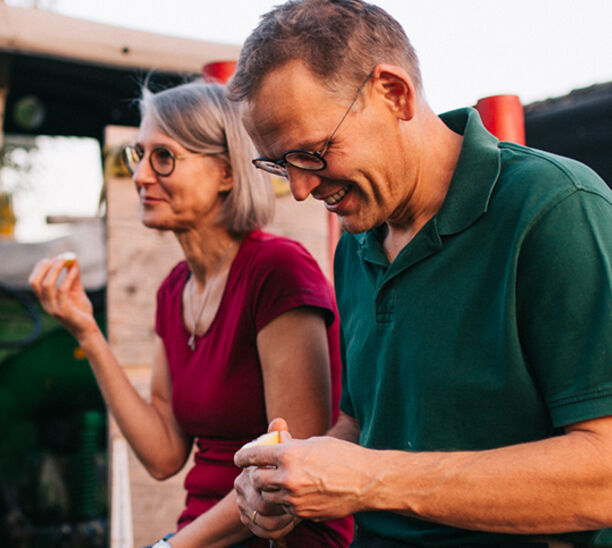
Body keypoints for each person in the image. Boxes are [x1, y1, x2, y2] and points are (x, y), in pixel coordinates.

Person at [226, 1, 612, 546]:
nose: (299, 188)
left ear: (394, 93)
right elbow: (365, 425)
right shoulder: (355, 247)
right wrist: (291, 478)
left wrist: (369, 481)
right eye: (278, 163)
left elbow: (605, 476)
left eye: (311, 153)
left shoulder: (554, 208)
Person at [28, 80, 353, 548]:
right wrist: (86, 330)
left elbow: (288, 468)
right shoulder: (172, 291)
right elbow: (163, 454)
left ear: (225, 171)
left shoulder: (276, 271)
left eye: (163, 157)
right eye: (137, 156)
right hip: (198, 534)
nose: (140, 176)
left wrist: (170, 546)